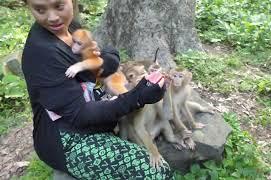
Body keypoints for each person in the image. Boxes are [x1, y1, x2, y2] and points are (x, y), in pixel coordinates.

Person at [21, 0, 174, 179]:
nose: (52, 17)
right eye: (40, 10)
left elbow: (100, 58)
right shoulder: (41, 54)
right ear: (28, 7)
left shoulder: (72, 29)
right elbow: (79, 113)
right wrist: (137, 97)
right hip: (69, 139)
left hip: (96, 114)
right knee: (156, 173)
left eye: (59, 6)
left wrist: (109, 60)